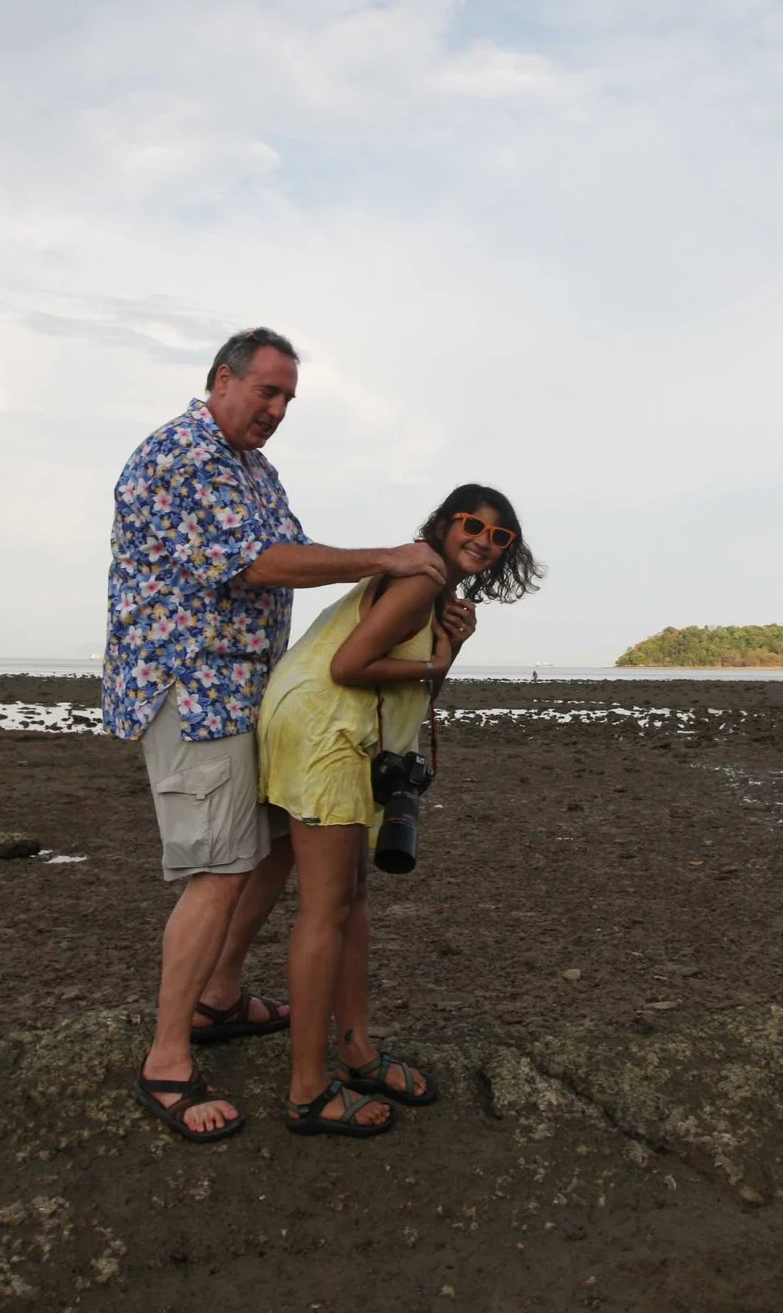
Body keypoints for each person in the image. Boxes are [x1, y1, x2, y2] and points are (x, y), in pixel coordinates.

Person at [104, 327, 450, 1143]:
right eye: (267, 391)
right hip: (192, 690)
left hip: (246, 692)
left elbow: (294, 549)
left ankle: (220, 998)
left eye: (289, 398)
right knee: (218, 870)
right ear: (221, 380)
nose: (277, 410)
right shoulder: (184, 455)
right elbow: (258, 563)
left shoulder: (254, 470)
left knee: (275, 846)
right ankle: (166, 1060)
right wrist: (389, 560)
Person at [257, 484, 542, 1135]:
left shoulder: (434, 588)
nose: (484, 542)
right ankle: (307, 1089)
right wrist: (437, 661)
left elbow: (415, 684)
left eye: (500, 537)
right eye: (473, 525)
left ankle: (356, 1050)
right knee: (325, 910)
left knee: (352, 900)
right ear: (444, 523)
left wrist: (450, 651)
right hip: (325, 732)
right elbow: (350, 666)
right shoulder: (421, 578)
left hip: (338, 731)